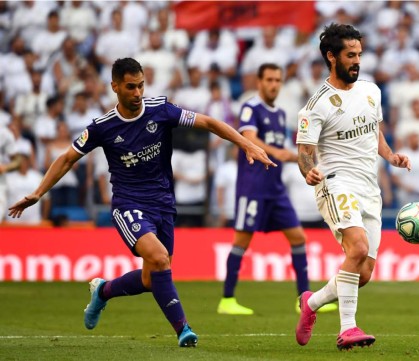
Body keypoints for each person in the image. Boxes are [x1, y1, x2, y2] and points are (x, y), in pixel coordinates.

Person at [8, 58, 275, 347]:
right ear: (115, 87)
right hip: (128, 204)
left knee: (151, 278)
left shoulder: (161, 110)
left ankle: (103, 291)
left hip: (162, 203)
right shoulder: (103, 127)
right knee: (160, 259)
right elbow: (67, 158)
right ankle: (184, 329)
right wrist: (38, 192)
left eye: (141, 86)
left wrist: (247, 144)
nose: (137, 93)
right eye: (131, 87)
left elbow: (209, 122)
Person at [295, 24, 411, 350]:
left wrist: (391, 156)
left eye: (359, 54)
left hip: (368, 187)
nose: (357, 61)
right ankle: (348, 329)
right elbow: (304, 153)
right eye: (350, 55)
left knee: (364, 273)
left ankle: (312, 303)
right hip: (335, 183)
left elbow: (375, 132)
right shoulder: (316, 104)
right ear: (332, 57)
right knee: (357, 248)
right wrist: (309, 172)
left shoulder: (371, 91)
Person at [217, 63, 337, 315]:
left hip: (275, 189)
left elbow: (281, 150)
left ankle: (303, 299)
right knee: (241, 240)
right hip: (252, 187)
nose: (273, 84)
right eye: (269, 79)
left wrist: (300, 157)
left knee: (298, 238)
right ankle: (227, 299)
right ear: (259, 82)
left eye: (277, 80)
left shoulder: (281, 113)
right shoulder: (251, 107)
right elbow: (248, 138)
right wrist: (278, 152)